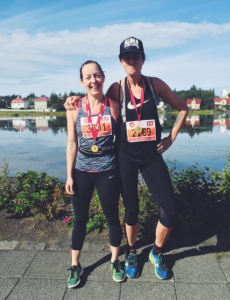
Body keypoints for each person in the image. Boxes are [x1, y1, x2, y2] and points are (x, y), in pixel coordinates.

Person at [65, 37, 189, 280]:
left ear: (143, 59)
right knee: (131, 209)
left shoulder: (155, 85)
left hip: (152, 158)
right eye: (127, 57)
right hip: (125, 159)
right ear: (121, 61)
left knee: (170, 211)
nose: (132, 60)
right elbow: (94, 101)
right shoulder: (116, 89)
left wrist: (171, 138)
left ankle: (156, 251)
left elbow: (183, 108)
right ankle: (131, 252)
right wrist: (72, 100)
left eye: (136, 56)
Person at [65, 60, 126, 288]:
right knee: (80, 220)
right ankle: (75, 265)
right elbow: (72, 144)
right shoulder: (74, 108)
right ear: (82, 81)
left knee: (112, 218)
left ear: (103, 76)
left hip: (107, 171)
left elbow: (122, 141)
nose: (93, 80)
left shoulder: (114, 106)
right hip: (81, 171)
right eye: (88, 77)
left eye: (97, 75)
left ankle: (115, 261)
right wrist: (69, 176)